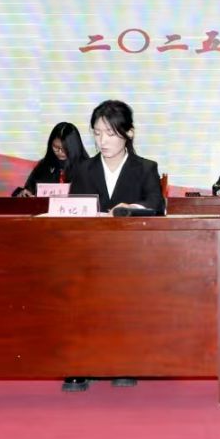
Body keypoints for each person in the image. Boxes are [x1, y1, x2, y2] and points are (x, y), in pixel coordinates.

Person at [62, 100, 165, 392]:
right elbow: (74, 210)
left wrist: (129, 209)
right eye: (97, 134)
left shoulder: (145, 168)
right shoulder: (84, 169)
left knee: (126, 296)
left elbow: (156, 206)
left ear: (129, 133)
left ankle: (124, 361)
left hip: (131, 255)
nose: (102, 141)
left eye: (110, 133)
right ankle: (81, 364)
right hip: (91, 254)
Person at [12, 122, 87, 197]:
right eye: (56, 147)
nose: (60, 152)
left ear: (74, 147)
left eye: (65, 149)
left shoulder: (86, 167)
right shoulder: (44, 165)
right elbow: (29, 190)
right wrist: (23, 194)